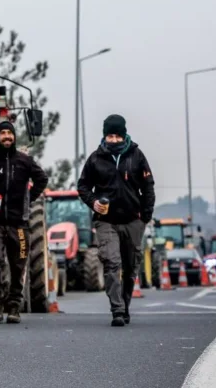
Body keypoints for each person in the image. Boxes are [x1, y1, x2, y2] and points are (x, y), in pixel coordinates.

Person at [77, 114, 155, 327]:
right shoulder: (95, 158)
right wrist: (93, 202)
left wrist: (145, 217)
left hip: (133, 220)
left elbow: (148, 187)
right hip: (106, 221)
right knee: (112, 263)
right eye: (109, 136)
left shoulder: (136, 156)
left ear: (123, 135)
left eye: (116, 136)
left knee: (130, 268)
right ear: (104, 136)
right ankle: (117, 310)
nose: (112, 140)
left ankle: (125, 305)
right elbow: (83, 187)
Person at [0, 121, 48, 324]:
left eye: (10, 133)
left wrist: (29, 198)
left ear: (14, 137)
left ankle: (14, 305)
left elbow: (42, 179)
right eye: (3, 133)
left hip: (19, 224)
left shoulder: (25, 161)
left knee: (18, 265)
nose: (7, 136)